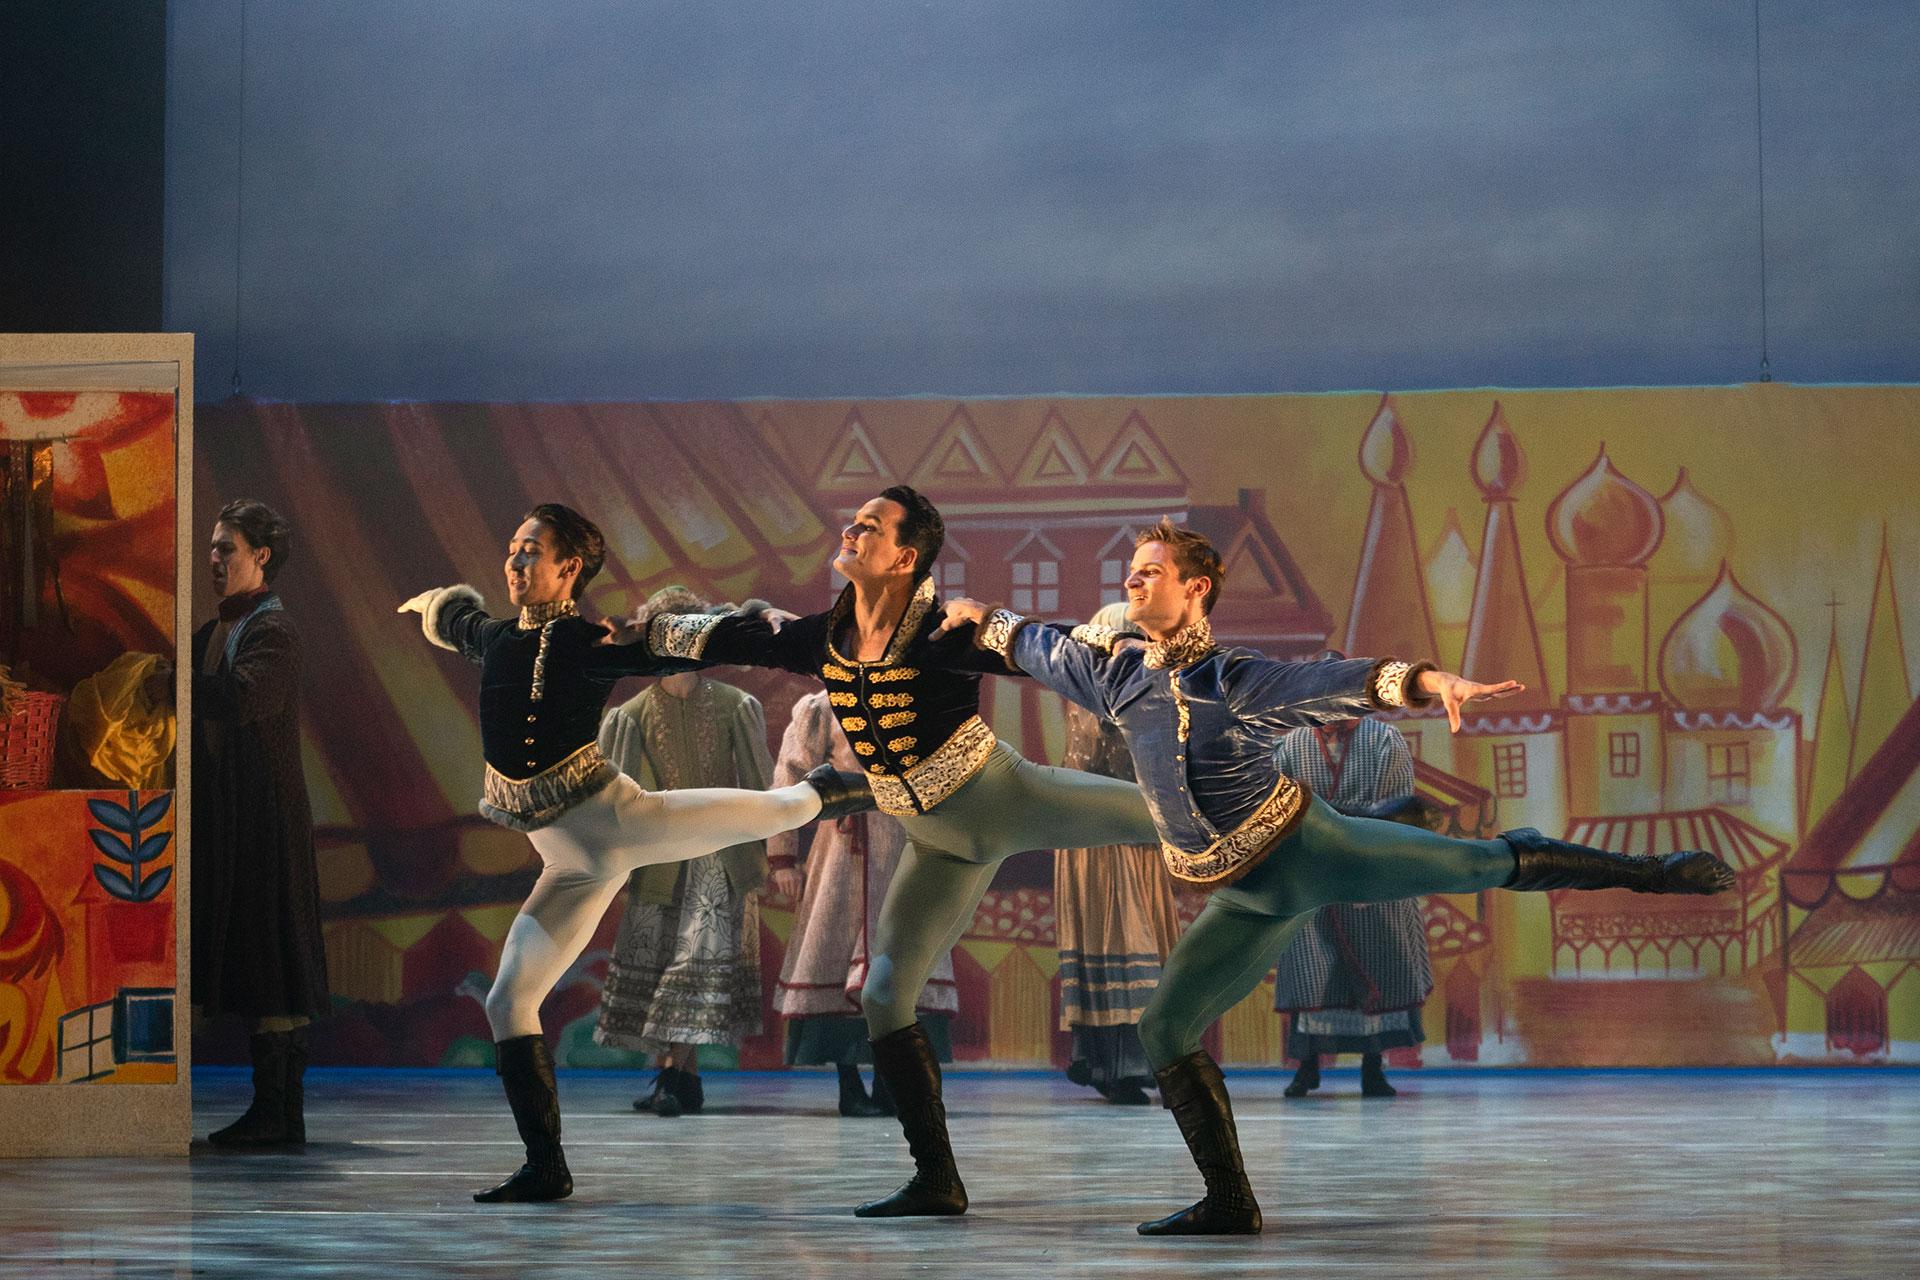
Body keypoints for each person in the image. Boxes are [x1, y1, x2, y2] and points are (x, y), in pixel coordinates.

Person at [943, 518, 1737, 1235]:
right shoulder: (1116, 677)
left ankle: (1657, 872)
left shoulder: (1237, 679)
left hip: (1310, 849)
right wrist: (983, 618)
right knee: (1162, 1031)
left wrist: (1434, 685)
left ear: (1196, 589)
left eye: (1150, 571)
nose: (1132, 582)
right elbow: (1034, 645)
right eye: (1130, 573)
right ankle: (1229, 1200)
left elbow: (1342, 681)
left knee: (1480, 863)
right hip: (1247, 896)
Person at [639, 485, 1159, 1217]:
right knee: (884, 995)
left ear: (904, 556)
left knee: (1163, 814)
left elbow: (1056, 650)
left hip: (1002, 798)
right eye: (854, 522)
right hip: (932, 840)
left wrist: (1119, 642)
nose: (851, 531)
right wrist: (634, 641)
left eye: (870, 526)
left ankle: (1293, 830)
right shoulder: (828, 635)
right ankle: (937, 1178)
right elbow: (733, 636)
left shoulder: (947, 631)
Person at [398, 503, 872, 1204]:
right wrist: (432, 605)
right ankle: (546, 1167)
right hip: (567, 862)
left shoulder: (596, 645)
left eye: (532, 551)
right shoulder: (496, 637)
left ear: (568, 569)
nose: (516, 562)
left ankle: (831, 792)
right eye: (512, 548)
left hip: (615, 822)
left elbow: (698, 640)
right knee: (508, 1001)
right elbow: (456, 619)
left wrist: (781, 631)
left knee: (760, 811)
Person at [595, 588, 775, 1118]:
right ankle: (677, 1075)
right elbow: (620, 795)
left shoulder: (735, 706)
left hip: (717, 857)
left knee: (690, 964)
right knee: (660, 963)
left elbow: (762, 785)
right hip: (660, 855)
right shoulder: (629, 716)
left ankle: (679, 1076)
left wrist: (769, 850)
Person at [192, 498, 329, 1148]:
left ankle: (281, 1113)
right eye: (214, 548)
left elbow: (243, 698)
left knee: (273, 962)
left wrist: (170, 683)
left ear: (261, 556)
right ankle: (271, 1109)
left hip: (266, 822)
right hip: (236, 819)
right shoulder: (220, 627)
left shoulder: (274, 631)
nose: (214, 559)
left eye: (227, 548)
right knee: (255, 960)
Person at [768, 688, 958, 1117]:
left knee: (900, 952)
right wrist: (782, 855)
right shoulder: (821, 707)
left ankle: (891, 1079)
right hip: (841, 846)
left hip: (904, 842)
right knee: (833, 953)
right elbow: (789, 776)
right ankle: (848, 1081)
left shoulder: (912, 693)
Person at [1268, 681, 1430, 1099]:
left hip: (1369, 871)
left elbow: (1396, 805)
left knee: (1377, 963)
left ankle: (1372, 1067)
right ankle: (1307, 1067)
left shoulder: (1383, 741)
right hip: (1313, 876)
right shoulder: (1293, 745)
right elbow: (1277, 808)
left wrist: (1340, 824)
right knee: (1313, 971)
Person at [1053, 605, 1182, 1106]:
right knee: (1117, 941)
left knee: (1139, 943)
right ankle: (1118, 1065)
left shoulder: (1139, 692)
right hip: (1102, 835)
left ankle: (1132, 1064)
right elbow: (1102, 764)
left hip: (1136, 834)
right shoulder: (1097, 695)